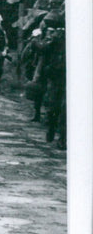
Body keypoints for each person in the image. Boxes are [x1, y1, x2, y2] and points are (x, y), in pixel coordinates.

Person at [36, 12, 66, 148]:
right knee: (63, 107)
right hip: (59, 75)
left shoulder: (57, 36)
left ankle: (54, 133)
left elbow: (43, 48)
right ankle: (60, 137)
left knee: (55, 105)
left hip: (58, 76)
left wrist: (35, 40)